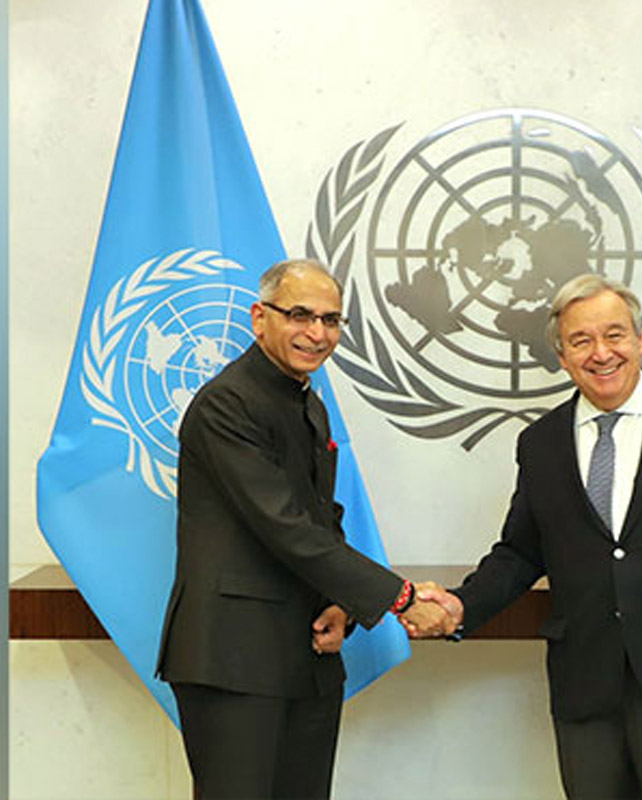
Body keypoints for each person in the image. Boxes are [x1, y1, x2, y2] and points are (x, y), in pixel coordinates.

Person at [416, 273, 642, 800]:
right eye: (581, 341)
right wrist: (460, 606)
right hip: (587, 684)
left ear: (639, 340)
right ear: (562, 357)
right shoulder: (540, 444)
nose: (601, 353)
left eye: (614, 335)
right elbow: (520, 552)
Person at [156, 258, 452, 800]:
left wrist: (341, 603)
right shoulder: (227, 404)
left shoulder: (307, 403)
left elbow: (320, 519)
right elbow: (285, 527)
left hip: (308, 652)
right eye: (299, 315)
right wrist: (400, 597)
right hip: (235, 659)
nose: (317, 334)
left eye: (331, 320)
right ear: (258, 317)